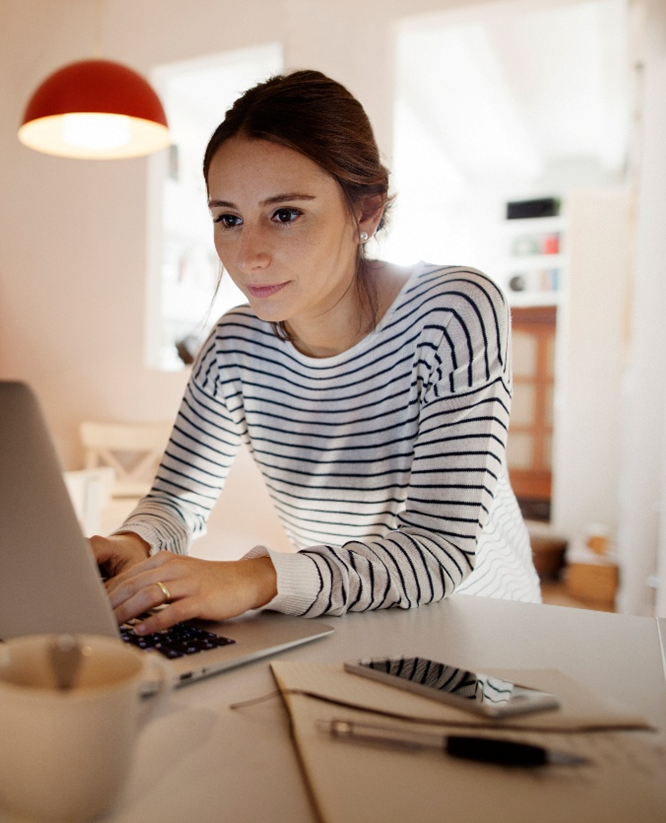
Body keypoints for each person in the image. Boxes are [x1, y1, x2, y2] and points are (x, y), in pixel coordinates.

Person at [91, 70, 540, 637]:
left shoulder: (452, 311)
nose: (248, 255)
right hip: (350, 628)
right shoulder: (235, 346)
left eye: (285, 214)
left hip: (482, 635)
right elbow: (177, 500)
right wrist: (132, 544)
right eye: (228, 218)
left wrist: (253, 577)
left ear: (367, 211)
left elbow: (436, 551)